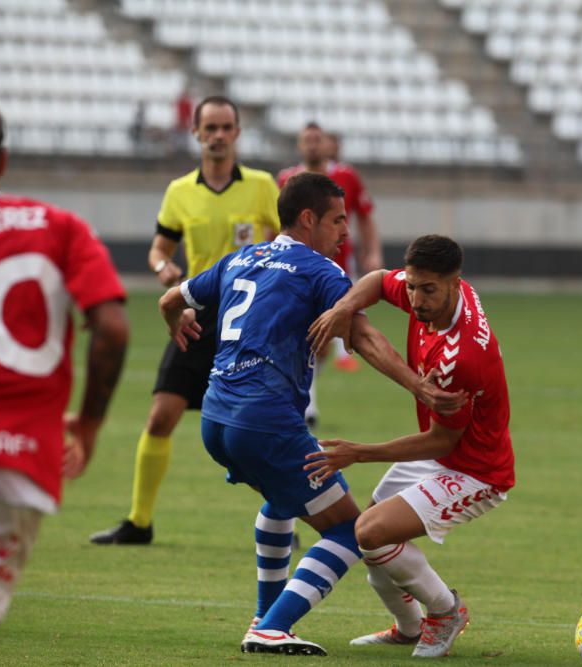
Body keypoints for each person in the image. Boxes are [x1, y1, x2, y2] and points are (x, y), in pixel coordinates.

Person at [158, 173, 465, 655]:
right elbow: (361, 338)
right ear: (308, 219)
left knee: (282, 504)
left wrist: (176, 321)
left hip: (215, 418)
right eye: (338, 220)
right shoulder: (318, 270)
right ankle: (272, 626)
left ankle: (265, 613)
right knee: (349, 529)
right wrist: (419, 387)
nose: (346, 231)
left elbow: (170, 298)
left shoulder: (242, 256)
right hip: (265, 422)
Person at [0, 89, 129, 666]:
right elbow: (113, 328)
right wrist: (90, 424)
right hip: (15, 456)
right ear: (1, 160)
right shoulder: (58, 226)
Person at [305, 234, 515, 658]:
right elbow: (381, 280)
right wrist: (344, 307)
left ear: (456, 283)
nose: (416, 299)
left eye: (427, 289)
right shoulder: (430, 291)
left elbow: (442, 438)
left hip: (476, 470)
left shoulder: (461, 357)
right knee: (374, 538)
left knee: (372, 532)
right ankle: (409, 627)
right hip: (440, 455)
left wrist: (358, 452)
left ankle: (446, 611)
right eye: (414, 286)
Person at [90, 95, 281, 546]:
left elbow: (285, 240)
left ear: (237, 133)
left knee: (249, 430)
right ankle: (139, 522)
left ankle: (284, 512)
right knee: (160, 416)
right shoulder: (180, 191)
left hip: (248, 321)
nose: (217, 136)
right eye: (209, 128)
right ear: (195, 133)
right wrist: (163, 269)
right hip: (194, 316)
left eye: (225, 127)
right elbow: (161, 247)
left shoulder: (262, 186)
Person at [278, 122, 383, 424]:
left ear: (327, 144)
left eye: (316, 139)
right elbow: (276, 221)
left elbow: (365, 215)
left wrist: (372, 251)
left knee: (322, 337)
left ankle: (305, 392)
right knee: (304, 331)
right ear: (299, 145)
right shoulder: (286, 179)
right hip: (296, 268)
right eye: (306, 140)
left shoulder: (346, 176)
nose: (312, 145)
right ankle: (305, 401)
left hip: (336, 267)